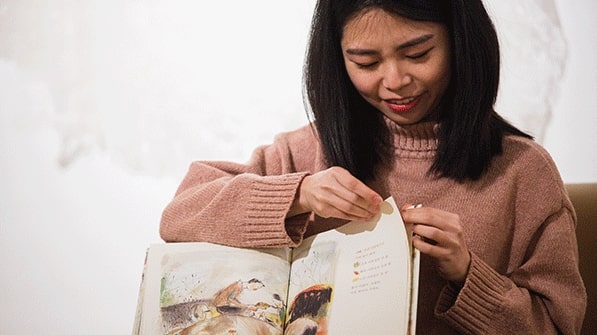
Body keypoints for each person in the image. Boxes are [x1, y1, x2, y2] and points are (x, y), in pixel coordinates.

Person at [160, 0, 587, 333]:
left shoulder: (523, 174)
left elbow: (557, 327)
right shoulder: (306, 152)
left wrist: (466, 273)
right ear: (338, 61)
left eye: (418, 54)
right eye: (366, 62)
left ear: (461, 42)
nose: (395, 80)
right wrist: (298, 194)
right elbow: (180, 214)